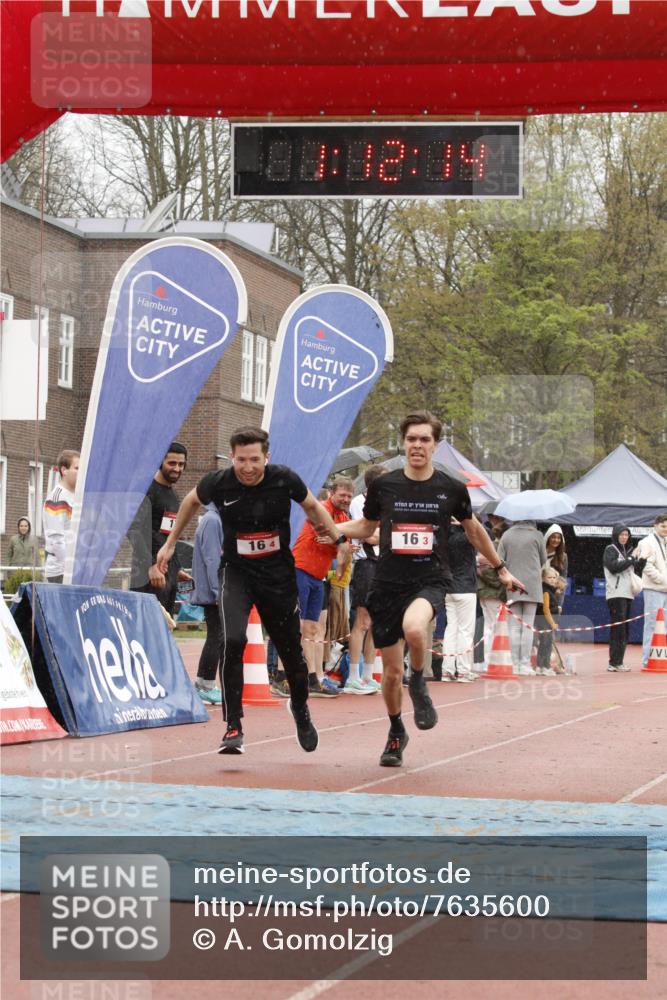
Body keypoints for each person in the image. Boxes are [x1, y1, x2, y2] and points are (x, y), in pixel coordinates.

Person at [341, 411, 524, 767]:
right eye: (412, 439)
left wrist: (501, 568)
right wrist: (336, 530)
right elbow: (366, 526)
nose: (417, 445)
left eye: (425, 439)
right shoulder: (384, 485)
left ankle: (419, 680)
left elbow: (474, 531)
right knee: (390, 674)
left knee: (414, 629)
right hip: (387, 583)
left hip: (430, 578)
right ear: (403, 443)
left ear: (435, 445)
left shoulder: (451, 488)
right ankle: (396, 730)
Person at [155, 425, 348, 756]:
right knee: (232, 640)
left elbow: (313, 507)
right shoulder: (219, 482)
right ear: (232, 457)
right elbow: (190, 501)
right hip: (237, 573)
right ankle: (233, 726)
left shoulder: (283, 478)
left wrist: (339, 540)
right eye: (241, 460)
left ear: (266, 457)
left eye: (254, 460)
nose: (247, 467)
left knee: (291, 652)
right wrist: (170, 543)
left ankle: (300, 708)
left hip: (277, 576)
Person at [293, 476, 353, 697]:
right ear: (331, 493)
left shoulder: (344, 517)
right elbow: (336, 542)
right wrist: (339, 544)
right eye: (342, 495)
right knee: (299, 626)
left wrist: (339, 545)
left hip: (319, 577)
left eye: (349, 496)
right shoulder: (320, 509)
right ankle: (289, 675)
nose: (346, 499)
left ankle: (315, 676)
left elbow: (345, 549)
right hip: (300, 569)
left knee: (314, 628)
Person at [128, 442, 190, 615]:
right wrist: (151, 566)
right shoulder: (146, 491)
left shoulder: (173, 495)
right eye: (172, 463)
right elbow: (133, 530)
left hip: (168, 573)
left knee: (166, 625)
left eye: (181, 464)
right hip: (148, 574)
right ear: (160, 462)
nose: (177, 469)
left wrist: (177, 568)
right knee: (147, 624)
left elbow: (170, 536)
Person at [346, 464, 386, 694]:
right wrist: (380, 535)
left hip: (383, 565)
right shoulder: (359, 503)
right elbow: (367, 536)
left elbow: (390, 534)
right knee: (362, 621)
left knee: (375, 623)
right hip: (365, 565)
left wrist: (381, 535)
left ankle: (368, 675)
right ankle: (353, 677)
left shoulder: (386, 504)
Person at [497, 519, 547, 675]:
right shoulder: (537, 535)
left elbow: (499, 559)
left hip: (512, 583)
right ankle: (524, 664)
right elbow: (543, 559)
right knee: (527, 626)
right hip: (532, 585)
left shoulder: (507, 535)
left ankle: (514, 663)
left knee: (513, 627)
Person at [190, 504, 224, 705]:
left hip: (212, 589)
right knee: (216, 636)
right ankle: (206, 685)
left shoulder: (213, 519)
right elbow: (213, 559)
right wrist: (218, 591)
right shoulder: (212, 520)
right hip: (213, 591)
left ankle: (203, 683)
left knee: (215, 635)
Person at [441, 519, 478, 683]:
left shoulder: (444, 536)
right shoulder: (467, 536)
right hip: (466, 587)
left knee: (451, 629)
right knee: (465, 631)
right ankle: (463, 671)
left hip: (449, 588)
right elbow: (486, 534)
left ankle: (447, 670)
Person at [603, 524, 637, 673]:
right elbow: (614, 567)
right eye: (621, 534)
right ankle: (614, 662)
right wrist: (631, 559)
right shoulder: (610, 549)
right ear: (616, 535)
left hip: (628, 593)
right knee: (618, 629)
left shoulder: (628, 551)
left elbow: (633, 567)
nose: (624, 537)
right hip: (616, 594)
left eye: (626, 535)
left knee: (624, 630)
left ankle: (619, 661)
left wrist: (639, 560)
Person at [635, 513, 667, 669]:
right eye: (663, 526)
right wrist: (662, 580)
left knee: (664, 626)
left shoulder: (665, 541)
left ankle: (662, 657)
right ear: (655, 526)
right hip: (654, 589)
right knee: (652, 625)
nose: (665, 529)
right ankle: (647, 659)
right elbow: (646, 566)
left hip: (665, 589)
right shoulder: (646, 542)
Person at [43, 449, 79, 583]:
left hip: (76, 568)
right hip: (61, 571)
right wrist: (71, 566)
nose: (81, 472)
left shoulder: (77, 495)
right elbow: (56, 539)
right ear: (64, 470)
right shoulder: (56, 497)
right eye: (77, 468)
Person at [535, 566, 560, 675]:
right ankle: (543, 666)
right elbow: (546, 609)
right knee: (545, 644)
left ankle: (543, 666)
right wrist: (552, 623)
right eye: (549, 577)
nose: (552, 580)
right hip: (544, 622)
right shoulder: (546, 592)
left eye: (554, 577)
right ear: (543, 578)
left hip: (547, 622)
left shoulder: (551, 591)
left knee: (546, 644)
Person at [544, 524, 568, 609]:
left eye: (558, 538)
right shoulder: (540, 553)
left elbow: (563, 577)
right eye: (553, 537)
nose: (556, 540)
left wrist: (559, 604)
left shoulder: (563, 556)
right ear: (548, 537)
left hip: (554, 594)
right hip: (539, 592)